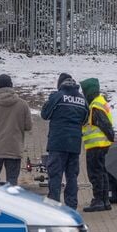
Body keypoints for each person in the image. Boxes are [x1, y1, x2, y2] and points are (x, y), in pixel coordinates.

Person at [40, 73, 88, 209]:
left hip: (58, 143)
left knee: (55, 175)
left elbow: (45, 115)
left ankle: (54, 206)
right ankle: (71, 206)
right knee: (72, 176)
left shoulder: (57, 97)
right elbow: (85, 119)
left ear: (60, 84)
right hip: (74, 144)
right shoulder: (82, 100)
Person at [0, 74, 32, 185]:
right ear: (11, 86)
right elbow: (29, 126)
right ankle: (10, 202)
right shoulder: (23, 105)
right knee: (12, 184)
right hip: (14, 149)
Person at [80, 78, 115, 212]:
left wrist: (111, 136)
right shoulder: (101, 101)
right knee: (102, 172)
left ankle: (98, 200)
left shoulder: (95, 106)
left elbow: (104, 124)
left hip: (96, 145)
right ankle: (105, 200)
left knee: (95, 173)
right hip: (102, 144)